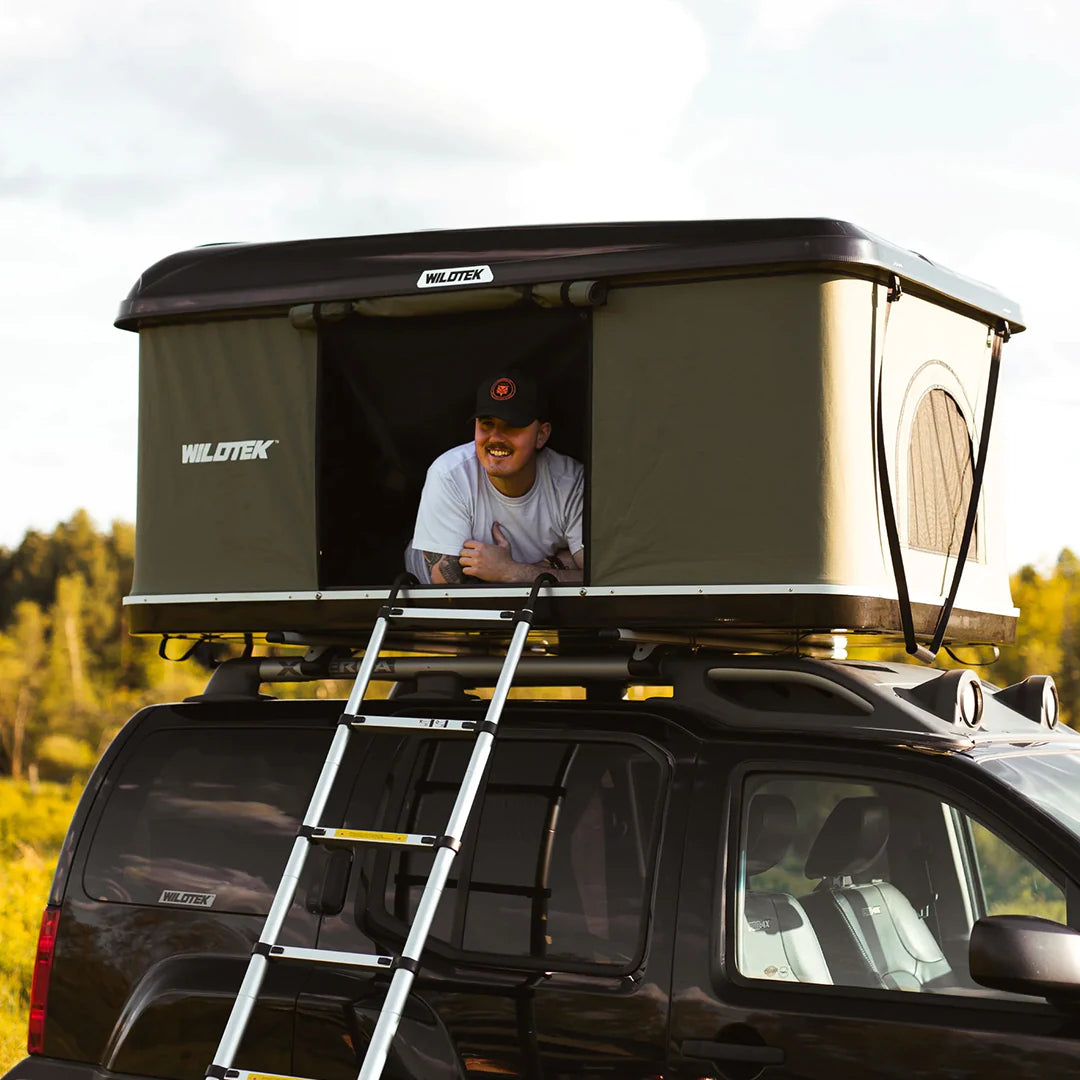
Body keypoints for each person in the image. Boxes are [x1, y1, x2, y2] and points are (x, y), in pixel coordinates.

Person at [405, 372, 584, 585]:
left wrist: (510, 571)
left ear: (541, 435)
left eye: (512, 426)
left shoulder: (571, 482)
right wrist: (550, 568)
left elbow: (601, 581)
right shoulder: (450, 473)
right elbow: (448, 593)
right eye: (487, 424)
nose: (496, 437)